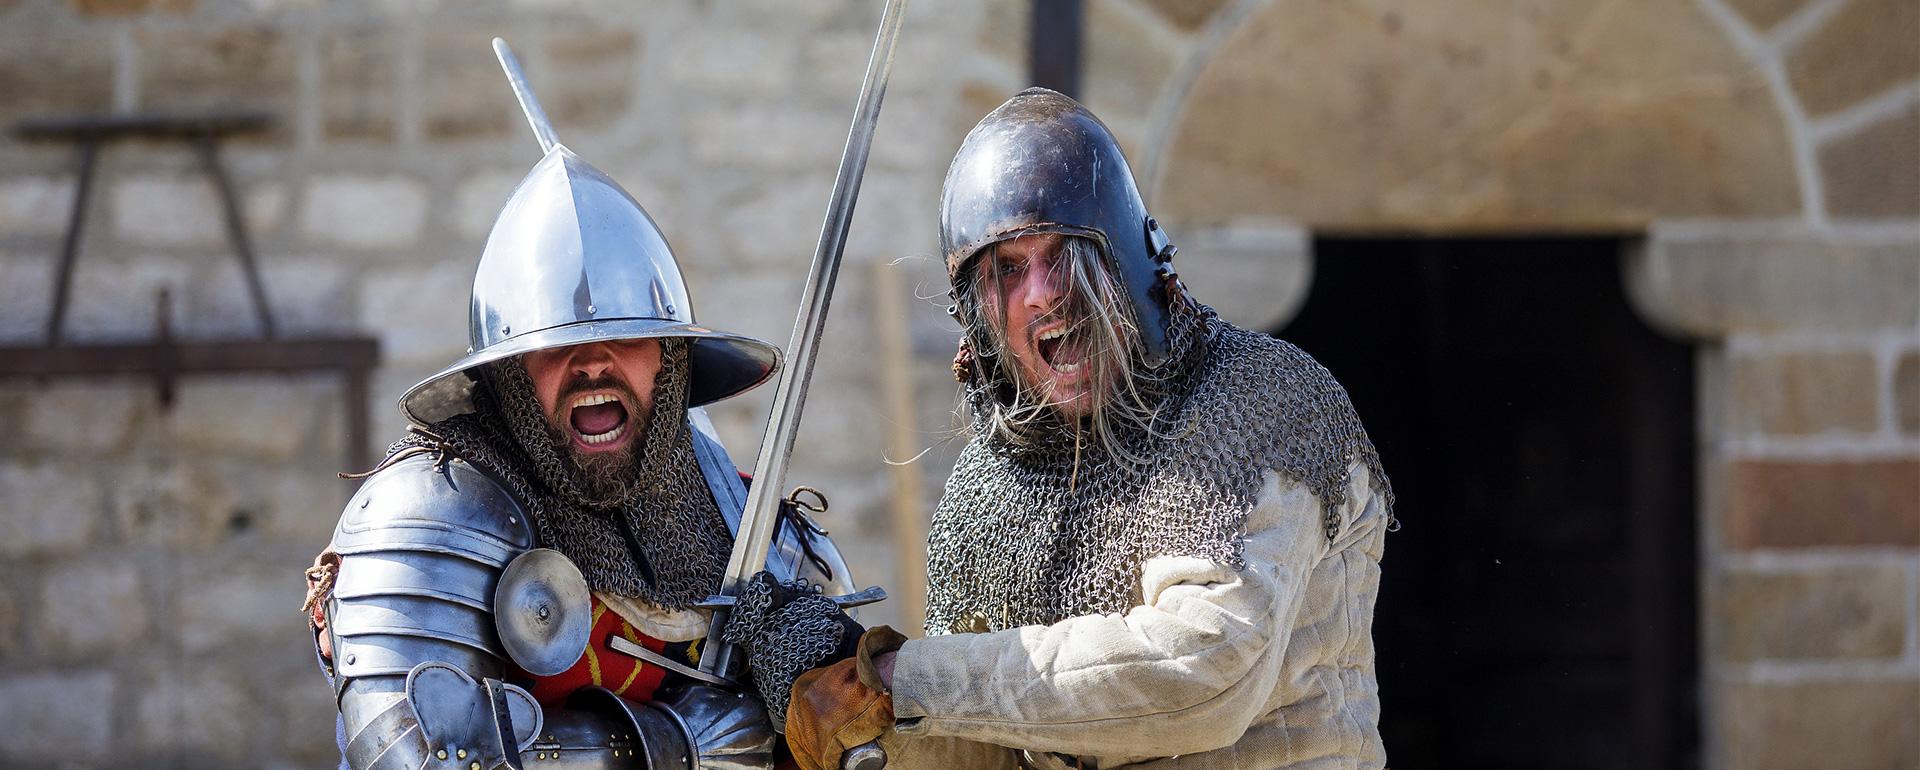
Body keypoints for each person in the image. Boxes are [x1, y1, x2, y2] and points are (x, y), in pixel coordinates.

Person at [782, 88, 1397, 769]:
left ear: (1130, 268)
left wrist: (909, 680)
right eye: (1009, 269)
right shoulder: (989, 486)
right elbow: (981, 736)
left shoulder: (1254, 399)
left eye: (1063, 254)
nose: (1041, 292)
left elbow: (1204, 672)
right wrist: (852, 700)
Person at [301, 56, 861, 769]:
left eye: (625, 339)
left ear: (669, 360)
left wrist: (828, 678)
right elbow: (419, 753)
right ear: (506, 377)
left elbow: (851, 740)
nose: (594, 365)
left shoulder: (750, 531)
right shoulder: (431, 516)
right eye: (558, 348)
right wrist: (689, 742)